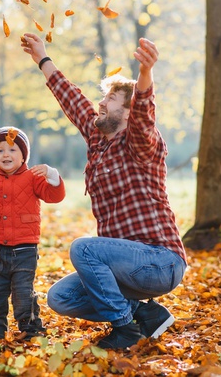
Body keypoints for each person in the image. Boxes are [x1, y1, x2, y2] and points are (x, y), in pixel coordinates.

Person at [20, 33, 188, 349]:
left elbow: (143, 117)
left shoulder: (140, 144)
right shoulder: (99, 141)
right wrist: (42, 57)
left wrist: (145, 76)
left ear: (127, 112)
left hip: (159, 261)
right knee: (61, 297)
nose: (101, 102)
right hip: (124, 267)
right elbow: (72, 100)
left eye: (110, 99)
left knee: (84, 249)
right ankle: (143, 314)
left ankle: (125, 329)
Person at [0, 126, 65, 343]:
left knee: (23, 294)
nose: (6, 155)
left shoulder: (33, 177)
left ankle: (31, 330)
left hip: (25, 250)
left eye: (12, 150)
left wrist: (52, 175)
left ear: (23, 155)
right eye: (0, 150)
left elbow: (54, 196)